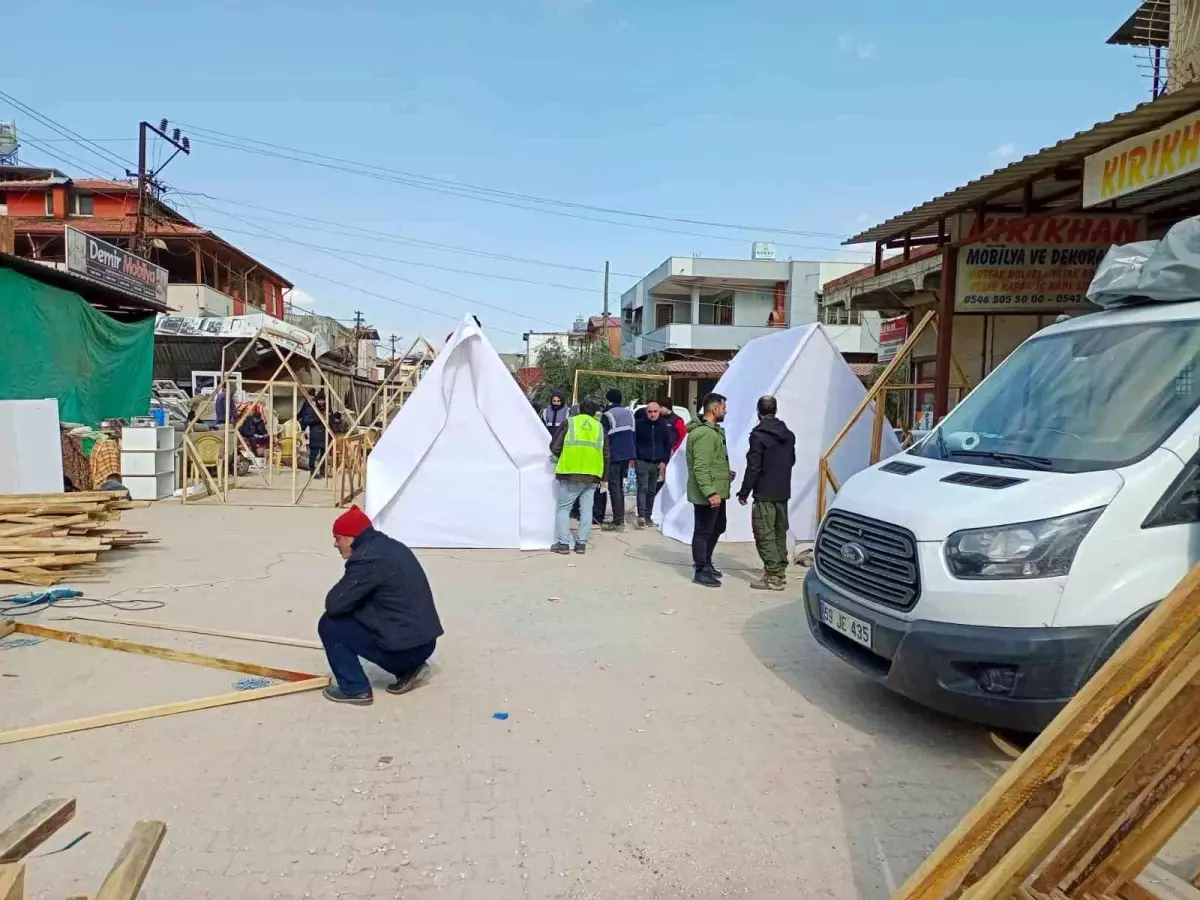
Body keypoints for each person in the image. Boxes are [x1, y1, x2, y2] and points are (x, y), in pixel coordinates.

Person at [319, 505, 444, 705]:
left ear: (351, 537)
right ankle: (409, 669)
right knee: (361, 608)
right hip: (425, 643)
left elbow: (334, 603)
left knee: (330, 624)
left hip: (407, 649)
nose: (335, 544)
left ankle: (354, 689)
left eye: (337, 538)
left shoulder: (367, 558)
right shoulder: (391, 546)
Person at [737, 395, 797, 591]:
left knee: (764, 532)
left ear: (758, 412)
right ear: (775, 410)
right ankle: (779, 570)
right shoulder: (788, 435)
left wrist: (744, 491)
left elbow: (754, 467)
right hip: (782, 491)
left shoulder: (758, 436)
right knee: (780, 531)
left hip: (764, 491)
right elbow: (792, 460)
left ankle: (772, 576)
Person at [686, 392, 734, 588]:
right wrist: (710, 492)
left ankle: (706, 561)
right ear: (714, 409)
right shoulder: (705, 434)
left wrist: (724, 472)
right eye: (723, 407)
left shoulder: (713, 431)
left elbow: (711, 462)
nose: (725, 411)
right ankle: (701, 569)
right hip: (708, 493)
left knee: (717, 527)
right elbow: (701, 466)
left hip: (717, 489)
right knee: (704, 531)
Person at [549, 396, 608, 554]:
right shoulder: (599, 427)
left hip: (571, 472)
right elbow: (606, 453)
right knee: (586, 509)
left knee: (563, 508)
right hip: (593, 474)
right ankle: (581, 544)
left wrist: (559, 455)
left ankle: (563, 544)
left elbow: (554, 446)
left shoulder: (570, 422)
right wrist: (605, 478)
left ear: (580, 409)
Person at [598, 388, 636, 531]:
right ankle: (619, 517)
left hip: (614, 455)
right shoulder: (629, 414)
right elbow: (633, 435)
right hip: (627, 454)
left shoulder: (607, 415)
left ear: (608, 400)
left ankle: (618, 520)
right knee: (619, 486)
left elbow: (603, 437)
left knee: (614, 487)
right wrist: (633, 455)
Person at [633, 399, 673, 528]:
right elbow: (633, 442)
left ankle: (648, 516)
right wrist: (633, 458)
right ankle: (641, 515)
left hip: (656, 463)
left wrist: (664, 461)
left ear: (659, 411)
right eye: (650, 412)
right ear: (646, 412)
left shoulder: (663, 426)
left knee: (651, 490)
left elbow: (667, 445)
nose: (652, 414)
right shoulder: (639, 425)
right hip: (642, 461)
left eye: (655, 411)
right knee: (642, 488)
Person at [299, 390, 329, 477]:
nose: (322, 402)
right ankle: (313, 472)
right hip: (315, 434)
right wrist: (317, 419)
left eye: (323, 400)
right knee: (314, 454)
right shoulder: (311, 407)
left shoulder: (327, 407)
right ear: (317, 400)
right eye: (320, 400)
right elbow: (306, 420)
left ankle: (322, 472)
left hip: (325, 435)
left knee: (324, 455)